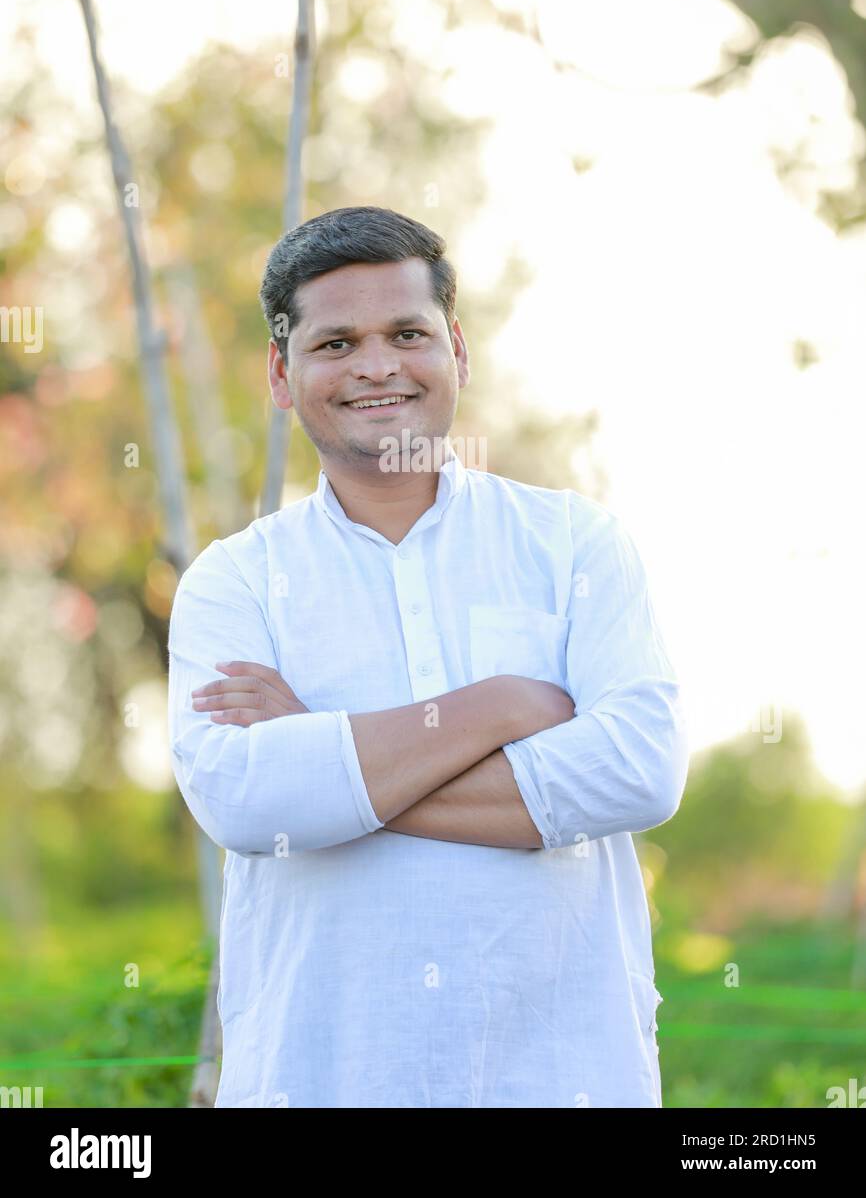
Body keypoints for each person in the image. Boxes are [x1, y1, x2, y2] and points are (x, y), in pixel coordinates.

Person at [167, 204, 689, 1108]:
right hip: (319, 1078)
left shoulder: (574, 544)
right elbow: (246, 797)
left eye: (407, 333)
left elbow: (640, 771)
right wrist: (498, 707)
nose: (377, 365)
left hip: (563, 1079)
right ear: (282, 374)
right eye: (336, 343)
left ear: (458, 350)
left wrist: (322, 749)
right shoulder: (233, 582)